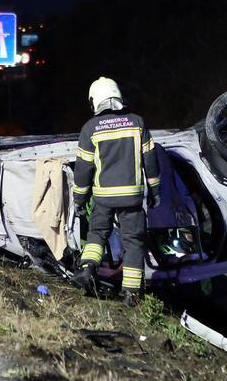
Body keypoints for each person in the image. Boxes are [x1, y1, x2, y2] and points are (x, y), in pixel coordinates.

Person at [71, 77, 161, 307]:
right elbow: (151, 161)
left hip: (103, 198)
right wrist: (155, 191)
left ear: (95, 101)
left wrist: (79, 199)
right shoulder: (137, 123)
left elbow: (83, 169)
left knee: (96, 235)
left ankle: (86, 270)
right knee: (133, 242)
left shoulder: (90, 128)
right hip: (132, 198)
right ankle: (131, 294)